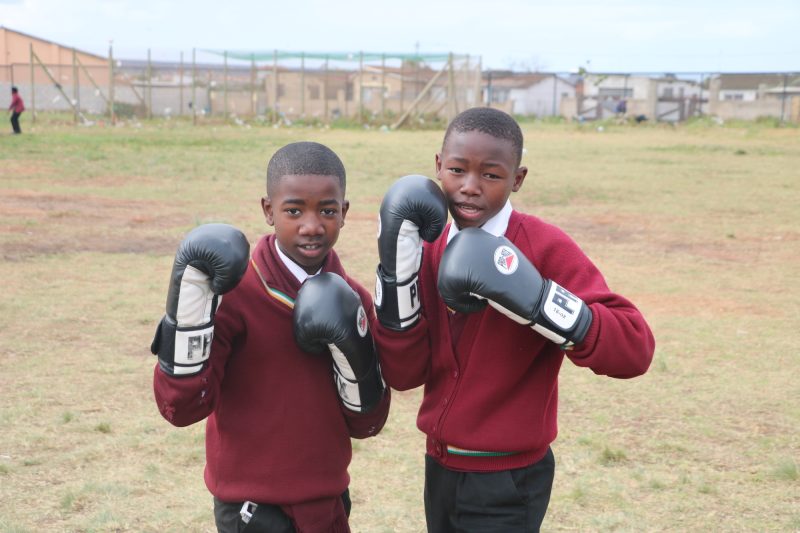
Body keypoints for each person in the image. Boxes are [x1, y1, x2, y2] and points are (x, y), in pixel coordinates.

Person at [372, 107, 655, 532]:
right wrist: (396, 279)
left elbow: (634, 349)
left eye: (491, 175)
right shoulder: (427, 248)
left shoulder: (542, 247)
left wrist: (540, 300)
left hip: (510, 480)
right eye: (456, 170)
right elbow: (405, 372)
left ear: (517, 179)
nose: (469, 188)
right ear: (437, 166)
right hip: (440, 467)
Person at [151, 141, 390, 533]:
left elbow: (368, 422)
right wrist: (189, 310)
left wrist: (353, 352)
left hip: (327, 501)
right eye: (293, 211)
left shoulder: (354, 300)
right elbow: (180, 407)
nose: (311, 226)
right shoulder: (234, 293)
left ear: (344, 213)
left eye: (327, 211)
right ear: (268, 210)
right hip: (251, 506)